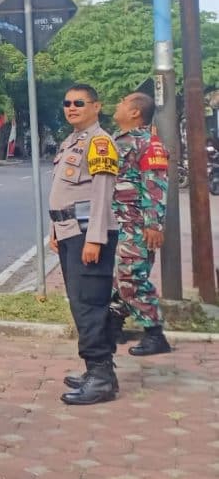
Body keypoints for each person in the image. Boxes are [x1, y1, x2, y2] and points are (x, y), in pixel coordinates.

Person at [48, 84, 119, 406]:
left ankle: (100, 378)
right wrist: (55, 230)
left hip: (87, 234)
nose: (72, 108)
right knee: (82, 303)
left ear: (96, 107)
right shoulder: (71, 141)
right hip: (70, 232)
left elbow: (102, 194)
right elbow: (65, 193)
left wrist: (94, 239)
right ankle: (99, 371)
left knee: (89, 305)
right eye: (67, 103)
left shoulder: (100, 142)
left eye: (79, 102)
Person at [107, 92, 171, 357]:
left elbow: (155, 184)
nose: (118, 104)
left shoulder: (149, 144)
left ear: (135, 112)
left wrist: (153, 224)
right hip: (116, 222)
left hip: (136, 224)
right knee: (115, 278)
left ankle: (155, 334)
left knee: (131, 276)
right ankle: (112, 327)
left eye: (123, 102)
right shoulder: (117, 140)